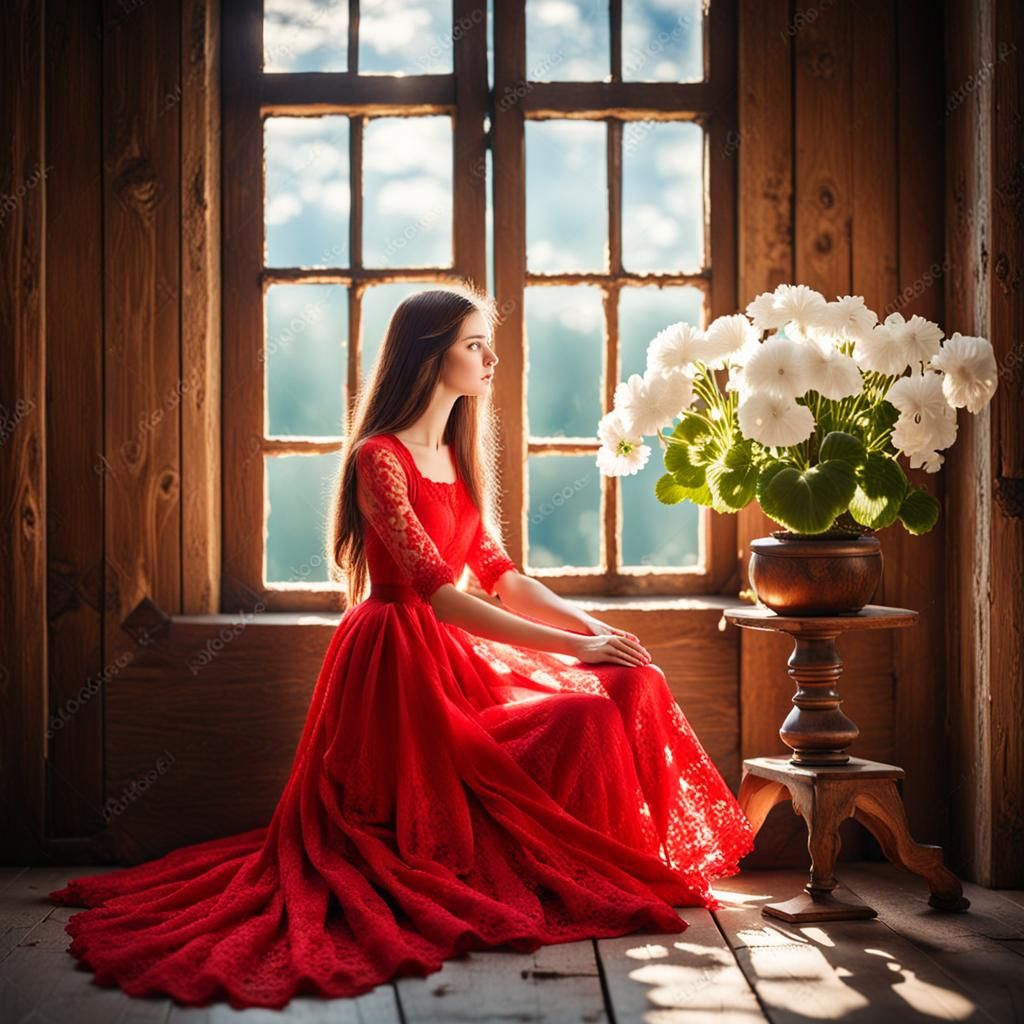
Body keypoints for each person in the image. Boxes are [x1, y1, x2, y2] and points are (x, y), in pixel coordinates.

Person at [49, 285, 755, 1009]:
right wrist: (571, 652)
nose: (491, 357)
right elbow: (439, 594)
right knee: (578, 712)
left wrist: (592, 632)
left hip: (453, 656)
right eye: (474, 344)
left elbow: (500, 576)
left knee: (629, 683)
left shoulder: (455, 453)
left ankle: (589, 863)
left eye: (489, 343)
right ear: (429, 354)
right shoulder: (378, 460)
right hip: (395, 663)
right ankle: (540, 869)